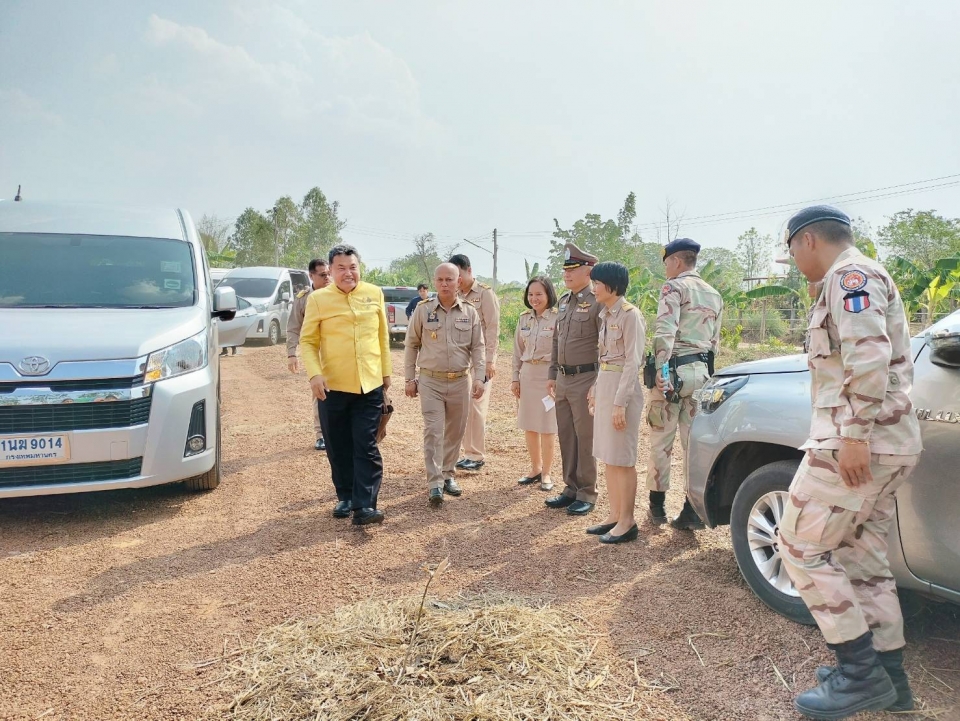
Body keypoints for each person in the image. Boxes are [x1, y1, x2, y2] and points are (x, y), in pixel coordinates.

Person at [775, 206, 922, 719]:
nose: (794, 261)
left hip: (858, 444)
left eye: (791, 250)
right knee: (862, 558)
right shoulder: (854, 277)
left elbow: (868, 355)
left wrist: (855, 436)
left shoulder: (848, 277)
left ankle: (860, 677)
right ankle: (890, 678)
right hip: (886, 442)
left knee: (799, 545)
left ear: (808, 240)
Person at [300, 245, 392, 526]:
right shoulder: (318, 300)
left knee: (366, 445)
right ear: (331, 271)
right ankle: (346, 496)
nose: (348, 273)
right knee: (338, 446)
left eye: (353, 267)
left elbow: (382, 337)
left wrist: (386, 374)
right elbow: (308, 341)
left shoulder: (374, 293)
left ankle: (365, 506)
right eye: (341, 268)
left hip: (369, 384)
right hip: (333, 386)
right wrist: (315, 375)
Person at [646, 238, 723, 530]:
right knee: (693, 445)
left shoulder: (673, 287)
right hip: (701, 375)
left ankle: (657, 508)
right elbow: (714, 343)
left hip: (673, 374)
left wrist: (661, 370)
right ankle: (691, 510)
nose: (666, 268)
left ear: (676, 261)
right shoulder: (714, 294)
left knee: (661, 442)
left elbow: (665, 331)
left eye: (667, 262)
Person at [404, 263, 485, 505]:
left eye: (449, 279)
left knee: (455, 432)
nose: (444, 284)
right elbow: (411, 344)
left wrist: (479, 377)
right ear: (434, 282)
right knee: (433, 431)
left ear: (458, 281)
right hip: (431, 381)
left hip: (460, 381)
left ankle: (448, 474)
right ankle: (435, 483)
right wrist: (409, 378)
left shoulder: (470, 312)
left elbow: (478, 347)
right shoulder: (423, 310)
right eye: (439, 280)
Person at [584, 262, 645, 543]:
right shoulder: (606, 315)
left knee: (622, 457)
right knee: (608, 455)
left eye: (597, 283)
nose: (594, 288)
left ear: (612, 285)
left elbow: (632, 362)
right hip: (607, 385)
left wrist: (620, 402)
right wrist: (596, 389)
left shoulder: (631, 315)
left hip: (623, 390)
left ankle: (627, 521)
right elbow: (605, 359)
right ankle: (614, 515)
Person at [544, 243, 603, 516]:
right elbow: (557, 341)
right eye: (565, 269)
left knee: (585, 438)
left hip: (586, 378)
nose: (566, 274)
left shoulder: (597, 301)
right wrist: (552, 373)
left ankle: (587, 492)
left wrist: (598, 383)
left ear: (588, 271)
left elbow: (605, 345)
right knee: (567, 435)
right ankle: (570, 488)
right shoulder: (565, 301)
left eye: (573, 269)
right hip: (564, 378)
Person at [449, 254, 500, 471]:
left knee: (477, 407)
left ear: (469, 270)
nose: (457, 280)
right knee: (464, 408)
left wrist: (490, 361)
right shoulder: (455, 295)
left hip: (480, 361)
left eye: (459, 275)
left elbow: (493, 328)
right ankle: (467, 452)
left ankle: (476, 455)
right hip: (461, 361)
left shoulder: (485, 294)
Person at [511, 275, 559, 492]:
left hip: (548, 376)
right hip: (528, 375)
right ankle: (535, 468)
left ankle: (547, 472)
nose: (534, 298)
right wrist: (515, 378)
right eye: (530, 294)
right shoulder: (524, 319)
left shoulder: (557, 318)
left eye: (539, 294)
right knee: (529, 424)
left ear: (549, 294)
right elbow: (517, 351)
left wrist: (556, 378)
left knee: (547, 426)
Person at [286, 258, 332, 451]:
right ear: (311, 276)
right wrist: (291, 354)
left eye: (329, 274)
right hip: (316, 352)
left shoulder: (337, 293)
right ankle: (321, 435)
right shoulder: (303, 298)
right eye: (323, 275)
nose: (327, 278)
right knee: (319, 391)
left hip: (337, 351)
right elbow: (293, 327)